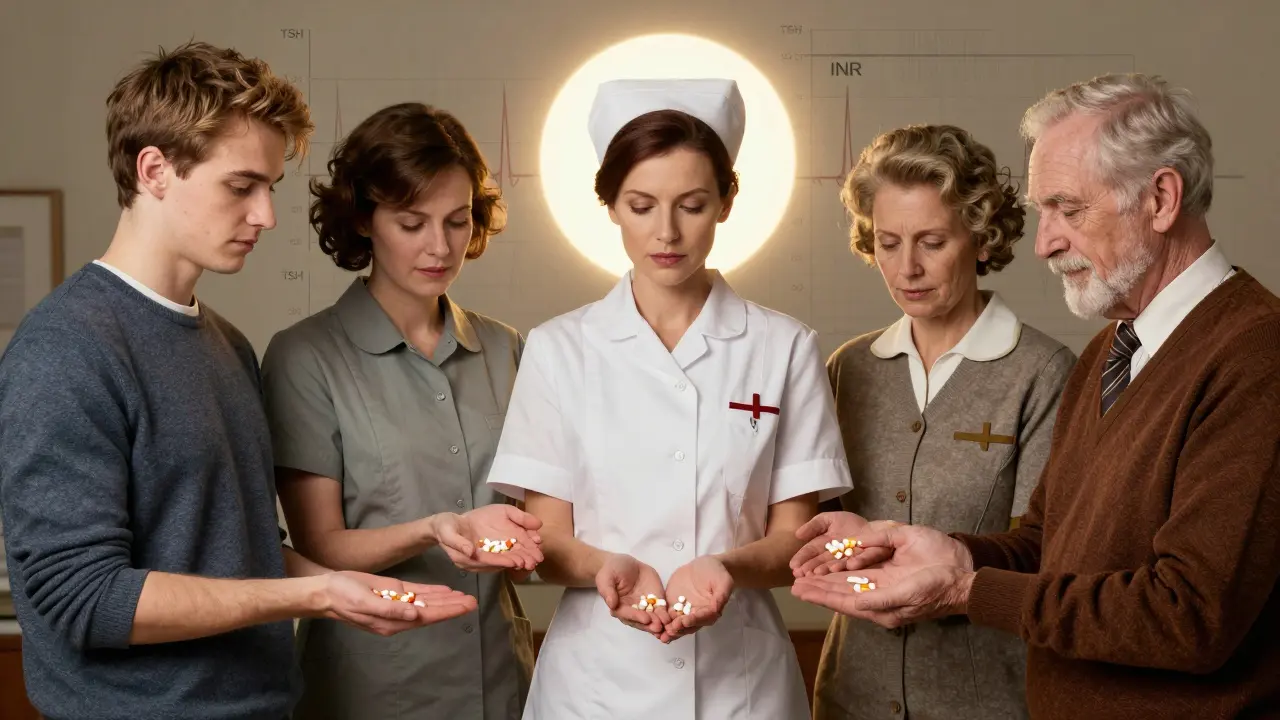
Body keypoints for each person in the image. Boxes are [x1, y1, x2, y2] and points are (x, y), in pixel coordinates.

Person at [0, 42, 477, 720]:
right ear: (154, 170)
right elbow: (86, 600)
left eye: (270, 189)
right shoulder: (67, 350)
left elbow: (239, 550)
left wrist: (343, 585)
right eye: (240, 186)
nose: (266, 216)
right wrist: (314, 597)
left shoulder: (228, 346)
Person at [790, 73, 1280, 719]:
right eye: (1042, 210)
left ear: (1161, 199)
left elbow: (1188, 615)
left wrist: (967, 591)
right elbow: (1050, 542)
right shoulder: (1113, 351)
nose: (1044, 241)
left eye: (1068, 209)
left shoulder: (1255, 356)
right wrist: (954, 552)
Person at [484, 77, 853, 719]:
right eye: (641, 204)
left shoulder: (785, 347)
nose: (668, 232)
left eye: (692, 204)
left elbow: (794, 537)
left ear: (726, 202)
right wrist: (604, 565)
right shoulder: (558, 349)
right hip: (595, 685)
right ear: (611, 206)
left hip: (742, 684)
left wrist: (727, 568)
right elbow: (547, 541)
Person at [259, 101, 543, 720]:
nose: (440, 247)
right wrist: (433, 527)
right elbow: (321, 545)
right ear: (365, 220)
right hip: (372, 687)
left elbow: (534, 524)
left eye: (457, 221)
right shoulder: (305, 357)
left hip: (503, 680)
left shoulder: (508, 350)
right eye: (412, 223)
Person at [793, 124, 1075, 720]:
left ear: (980, 236)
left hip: (987, 700)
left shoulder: (1042, 371)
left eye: (932, 241)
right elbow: (824, 527)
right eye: (889, 243)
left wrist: (944, 573)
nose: (908, 268)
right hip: (851, 698)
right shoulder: (850, 368)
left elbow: (1048, 551)